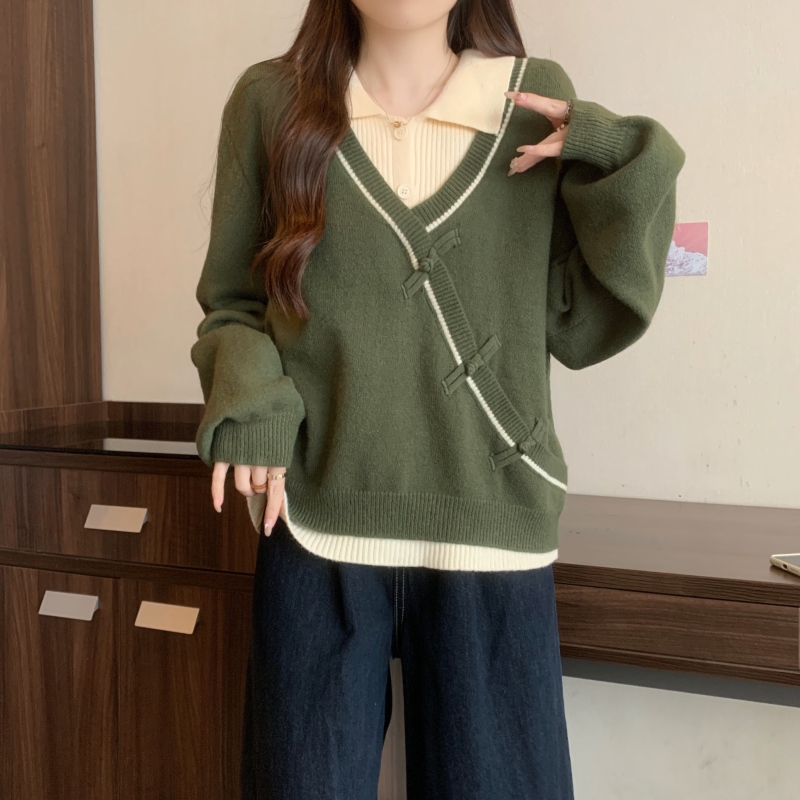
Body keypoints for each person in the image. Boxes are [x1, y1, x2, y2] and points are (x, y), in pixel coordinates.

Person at [190, 1, 686, 797]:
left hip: (490, 523)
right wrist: (253, 406)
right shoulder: (269, 102)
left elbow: (579, 324)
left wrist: (618, 160)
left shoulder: (530, 101)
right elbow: (235, 304)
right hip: (318, 518)